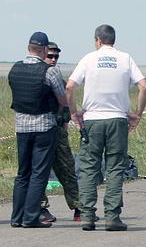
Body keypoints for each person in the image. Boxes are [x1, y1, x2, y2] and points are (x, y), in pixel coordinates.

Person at [66, 24, 146, 231]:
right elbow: (144, 86)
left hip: (93, 120)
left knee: (88, 168)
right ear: (113, 40)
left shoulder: (88, 59)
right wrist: (137, 114)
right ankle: (112, 216)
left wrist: (74, 112)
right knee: (114, 168)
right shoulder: (125, 58)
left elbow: (69, 86)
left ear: (97, 40)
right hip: (117, 120)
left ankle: (87, 215)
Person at [8, 31, 68, 228]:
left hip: (21, 127)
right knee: (39, 173)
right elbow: (61, 98)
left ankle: (16, 217)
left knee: (22, 173)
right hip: (44, 126)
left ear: (28, 48)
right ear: (44, 50)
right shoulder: (49, 71)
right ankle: (31, 217)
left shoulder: (15, 68)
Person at [39, 42, 81, 223]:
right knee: (38, 171)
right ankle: (41, 208)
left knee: (67, 170)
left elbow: (67, 106)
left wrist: (64, 122)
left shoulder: (60, 81)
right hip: (39, 131)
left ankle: (79, 207)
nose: (53, 59)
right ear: (42, 55)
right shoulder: (37, 78)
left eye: (56, 56)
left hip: (58, 132)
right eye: (50, 56)